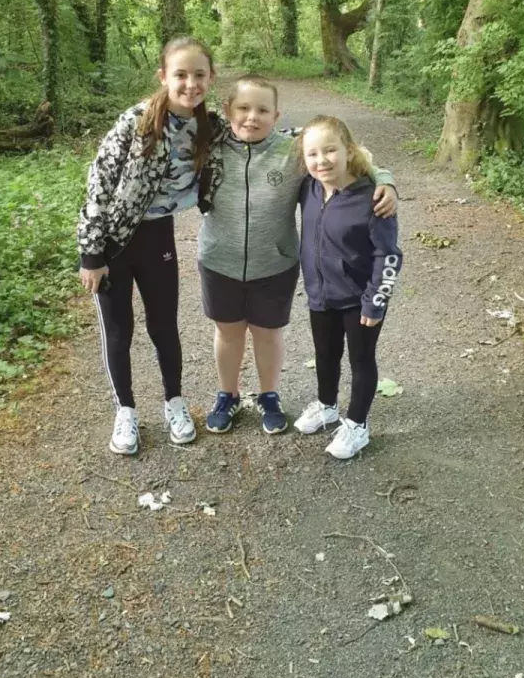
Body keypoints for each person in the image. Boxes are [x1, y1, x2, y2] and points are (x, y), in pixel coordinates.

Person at [196, 77, 397, 436]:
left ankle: (269, 396)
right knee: (227, 332)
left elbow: (346, 148)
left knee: (268, 333)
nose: (252, 117)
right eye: (243, 108)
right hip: (219, 260)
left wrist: (385, 179)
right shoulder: (210, 144)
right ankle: (227, 394)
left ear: (277, 115)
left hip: (275, 264)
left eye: (262, 110)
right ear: (228, 111)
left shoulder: (293, 147)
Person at [77, 36, 225, 456]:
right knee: (119, 330)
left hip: (158, 236)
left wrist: (375, 174)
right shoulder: (137, 121)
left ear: (210, 78)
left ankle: (174, 402)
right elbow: (98, 184)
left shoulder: (210, 127)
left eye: (199, 75)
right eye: (181, 75)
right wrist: (91, 253)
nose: (190, 83)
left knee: (164, 325)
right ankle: (125, 410)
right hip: (112, 242)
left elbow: (267, 135)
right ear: (163, 76)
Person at [295, 115, 403, 459]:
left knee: (361, 360)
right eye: (312, 154)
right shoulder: (307, 188)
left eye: (330, 151)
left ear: (349, 151)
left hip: (360, 300)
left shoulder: (374, 199)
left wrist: (376, 302)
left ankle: (357, 425)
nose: (321, 160)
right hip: (320, 295)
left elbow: (388, 254)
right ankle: (327, 406)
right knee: (325, 356)